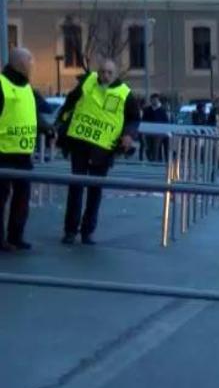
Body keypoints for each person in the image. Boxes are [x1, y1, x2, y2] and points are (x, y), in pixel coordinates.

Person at [58, 58, 139, 245]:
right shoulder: (88, 82)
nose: (105, 76)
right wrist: (61, 123)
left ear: (116, 74)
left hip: (103, 149)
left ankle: (87, 231)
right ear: (98, 71)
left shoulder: (125, 94)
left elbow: (134, 118)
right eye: (103, 71)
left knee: (95, 190)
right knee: (76, 187)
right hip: (80, 143)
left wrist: (128, 135)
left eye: (110, 72)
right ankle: (70, 230)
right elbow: (70, 102)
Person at [0, 48, 53, 251]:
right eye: (31, 62)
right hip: (3, 152)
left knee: (22, 199)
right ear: (21, 64)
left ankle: (16, 236)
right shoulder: (2, 84)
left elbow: (33, 116)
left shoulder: (28, 89)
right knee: (1, 199)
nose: (33, 66)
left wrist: (48, 130)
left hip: (22, 154)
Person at [141, 93, 169, 161]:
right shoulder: (147, 110)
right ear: (151, 100)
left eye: (156, 100)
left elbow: (166, 121)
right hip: (148, 132)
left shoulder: (162, 110)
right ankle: (152, 159)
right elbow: (143, 120)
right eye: (153, 100)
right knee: (149, 147)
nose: (154, 101)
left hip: (159, 133)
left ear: (158, 100)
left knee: (155, 147)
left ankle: (155, 161)